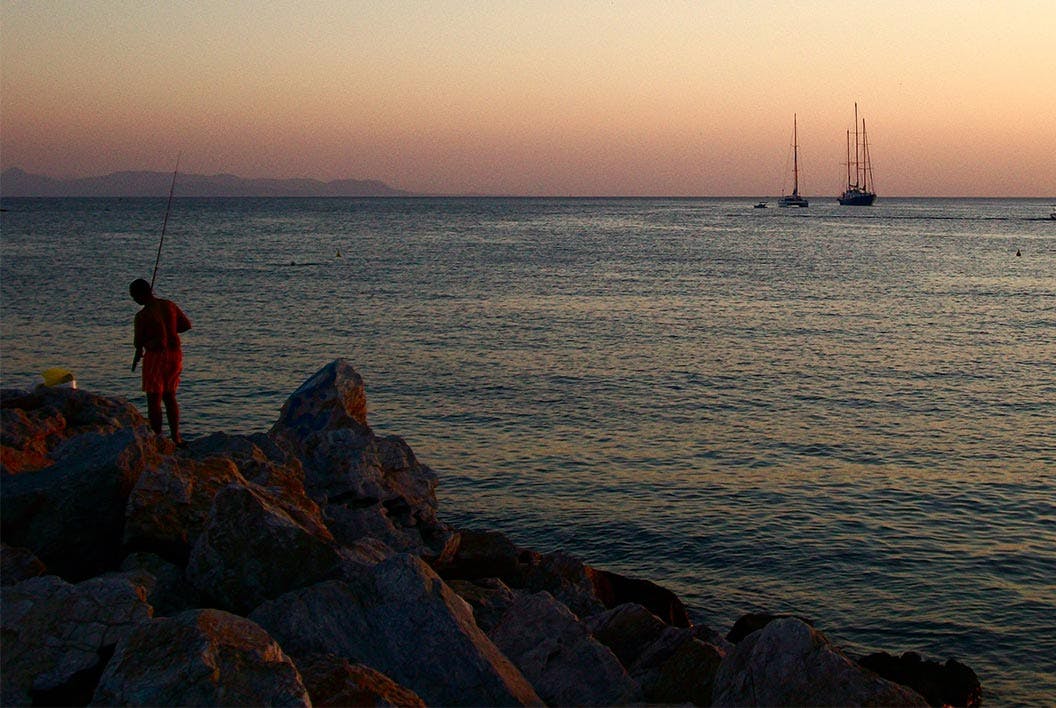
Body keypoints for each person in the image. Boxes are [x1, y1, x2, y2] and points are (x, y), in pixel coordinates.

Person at [129, 279, 192, 445]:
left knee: (153, 398)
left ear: (141, 295)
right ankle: (176, 437)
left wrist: (148, 343)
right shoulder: (169, 306)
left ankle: (158, 437)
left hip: (155, 357)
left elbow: (138, 342)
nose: (134, 301)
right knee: (170, 396)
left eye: (134, 297)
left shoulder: (142, 315)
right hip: (175, 355)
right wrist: (170, 329)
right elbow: (186, 325)